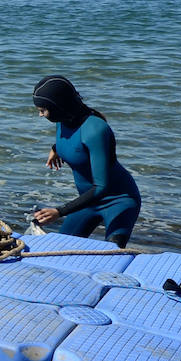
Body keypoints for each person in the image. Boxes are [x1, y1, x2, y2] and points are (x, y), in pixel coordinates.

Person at [30, 76, 141, 247]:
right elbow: (75, 143)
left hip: (119, 201)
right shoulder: (63, 120)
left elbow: (101, 187)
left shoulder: (96, 129)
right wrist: (56, 148)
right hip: (88, 201)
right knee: (59, 249)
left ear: (59, 106)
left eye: (43, 110)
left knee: (110, 255)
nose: (40, 115)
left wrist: (59, 212)